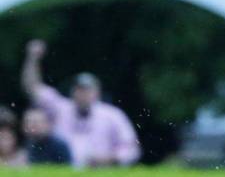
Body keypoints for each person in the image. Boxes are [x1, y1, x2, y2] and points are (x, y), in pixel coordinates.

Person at [21, 39, 141, 168]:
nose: (83, 94)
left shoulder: (112, 115)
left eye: (88, 90)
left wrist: (110, 158)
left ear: (97, 93)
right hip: (64, 175)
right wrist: (32, 59)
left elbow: (132, 149)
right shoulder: (60, 108)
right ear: (72, 92)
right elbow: (32, 88)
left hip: (102, 175)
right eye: (79, 90)